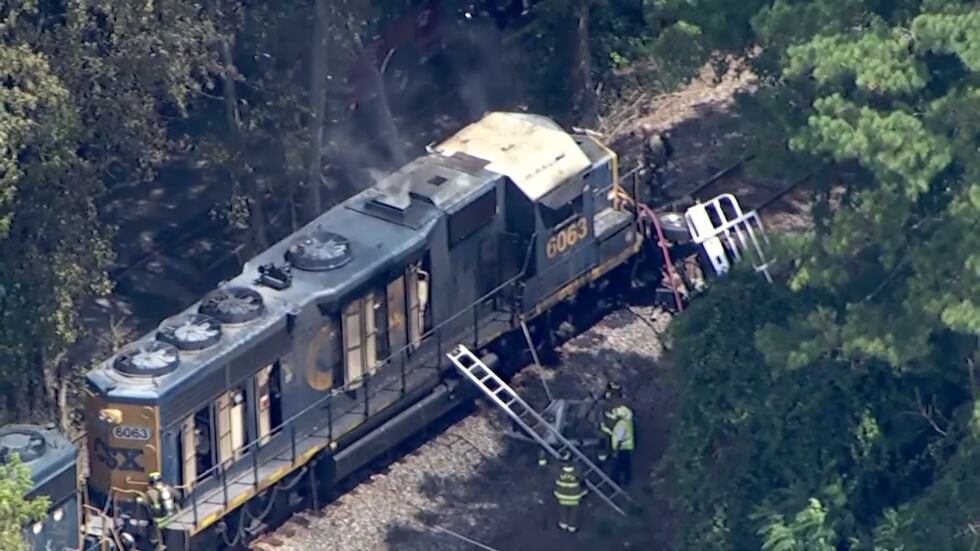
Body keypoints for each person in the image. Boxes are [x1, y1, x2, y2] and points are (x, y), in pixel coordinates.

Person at [554, 451, 588, 532]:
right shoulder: (577, 470)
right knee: (574, 512)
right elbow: (582, 481)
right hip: (574, 496)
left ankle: (563, 524)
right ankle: (572, 526)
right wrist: (585, 491)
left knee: (563, 510)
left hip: (561, 495)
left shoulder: (558, 471)